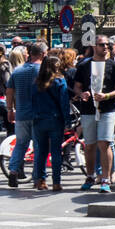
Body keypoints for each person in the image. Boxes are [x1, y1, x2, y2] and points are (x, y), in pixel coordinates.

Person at [75, 37, 115, 193]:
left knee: (104, 143)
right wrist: (81, 94)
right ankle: (90, 176)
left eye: (108, 45)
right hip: (88, 110)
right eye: (102, 45)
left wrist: (107, 96)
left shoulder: (114, 66)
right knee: (89, 145)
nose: (105, 47)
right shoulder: (84, 66)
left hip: (108, 109)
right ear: (94, 47)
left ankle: (105, 179)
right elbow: (77, 87)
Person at [29, 54, 74, 192]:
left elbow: (32, 101)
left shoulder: (36, 81)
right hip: (55, 119)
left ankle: (41, 180)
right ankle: (56, 182)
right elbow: (64, 102)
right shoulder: (60, 81)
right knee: (56, 152)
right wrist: (67, 120)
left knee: (41, 152)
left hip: (38, 119)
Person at [6, 41, 45, 187]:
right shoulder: (43, 70)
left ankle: (13, 171)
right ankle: (37, 178)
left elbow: (9, 91)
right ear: (42, 54)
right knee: (38, 145)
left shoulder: (17, 71)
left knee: (21, 144)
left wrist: (10, 109)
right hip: (38, 114)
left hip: (21, 114)